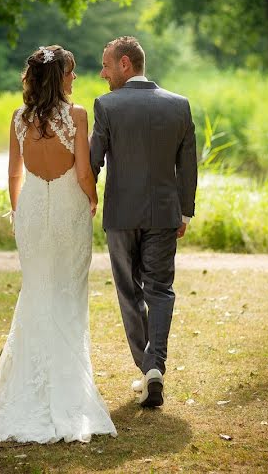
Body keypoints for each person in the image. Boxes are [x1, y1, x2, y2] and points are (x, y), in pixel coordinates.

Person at [0, 45, 117, 443]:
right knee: (69, 293)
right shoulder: (77, 116)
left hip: (32, 211)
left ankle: (30, 391)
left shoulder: (19, 118)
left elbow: (14, 176)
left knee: (36, 292)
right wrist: (92, 198)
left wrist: (19, 214)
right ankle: (67, 393)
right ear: (59, 78)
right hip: (69, 208)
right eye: (70, 73)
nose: (75, 78)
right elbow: (84, 171)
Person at [89, 36, 198, 408]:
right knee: (160, 289)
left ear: (124, 64)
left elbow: (93, 161)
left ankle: (147, 366)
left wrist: (82, 199)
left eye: (105, 65)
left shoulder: (105, 105)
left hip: (120, 215)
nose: (101, 73)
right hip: (165, 215)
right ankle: (154, 367)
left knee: (129, 291)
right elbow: (188, 166)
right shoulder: (179, 105)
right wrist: (184, 211)